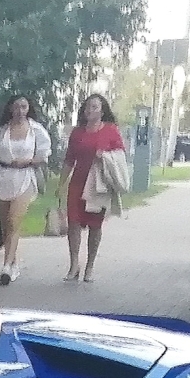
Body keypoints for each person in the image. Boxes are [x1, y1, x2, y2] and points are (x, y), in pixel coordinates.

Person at [0, 94, 51, 288]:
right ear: (10, 110)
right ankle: (13, 262)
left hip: (25, 178)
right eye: (16, 107)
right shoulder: (0, 132)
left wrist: (28, 161)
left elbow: (44, 155)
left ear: (28, 108)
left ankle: (5, 267)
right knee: (6, 225)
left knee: (14, 221)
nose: (20, 111)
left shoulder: (36, 131)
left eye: (24, 106)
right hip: (3, 178)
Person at [62, 93, 128, 283]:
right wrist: (61, 184)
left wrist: (105, 156)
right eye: (88, 107)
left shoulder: (110, 130)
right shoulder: (77, 132)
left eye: (95, 107)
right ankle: (74, 265)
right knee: (73, 224)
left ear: (102, 110)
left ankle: (90, 266)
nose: (90, 110)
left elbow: (120, 155)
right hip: (77, 182)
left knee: (94, 225)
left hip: (98, 184)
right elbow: (69, 160)